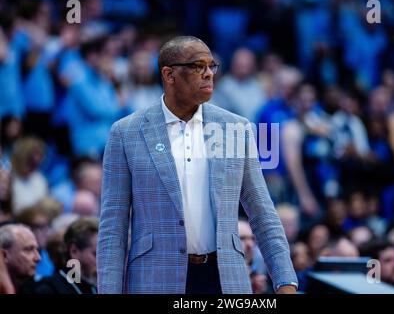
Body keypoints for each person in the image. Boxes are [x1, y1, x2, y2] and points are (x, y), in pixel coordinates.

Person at [97, 36, 297, 294]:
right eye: (197, 66)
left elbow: (262, 212)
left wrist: (286, 281)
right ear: (169, 75)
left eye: (211, 66)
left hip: (225, 279)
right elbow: (113, 227)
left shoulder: (236, 128)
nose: (208, 74)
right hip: (154, 279)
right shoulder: (126, 133)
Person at [34, 217, 98, 294]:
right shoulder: (49, 289)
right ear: (74, 251)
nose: (103, 263)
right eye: (96, 255)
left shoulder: (96, 286)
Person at [0, 224, 41, 293]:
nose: (38, 258)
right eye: (29, 249)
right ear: (4, 255)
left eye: (37, 250)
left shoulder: (35, 288)